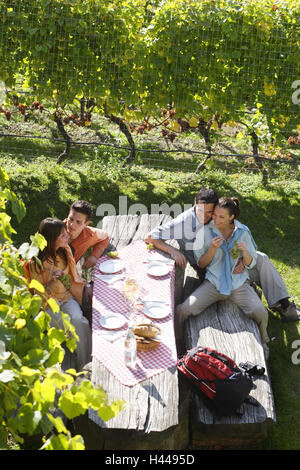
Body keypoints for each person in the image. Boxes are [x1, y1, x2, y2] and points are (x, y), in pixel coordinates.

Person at [145, 188, 300, 323]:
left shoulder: (216, 218)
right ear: (194, 203)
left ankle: (283, 304)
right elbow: (151, 236)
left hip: (227, 260)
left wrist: (240, 255)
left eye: (210, 212)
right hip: (207, 269)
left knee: (262, 259)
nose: (204, 216)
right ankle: (253, 290)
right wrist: (174, 251)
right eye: (200, 211)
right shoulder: (184, 222)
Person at [175, 197, 270, 356]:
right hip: (214, 284)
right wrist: (212, 248)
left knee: (260, 311)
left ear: (231, 217)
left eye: (221, 217)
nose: (216, 219)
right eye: (215, 215)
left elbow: (251, 263)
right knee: (182, 310)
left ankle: (265, 342)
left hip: (238, 285)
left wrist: (245, 252)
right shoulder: (205, 232)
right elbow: (201, 263)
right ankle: (177, 344)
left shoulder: (243, 232)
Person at [26, 218, 92, 371]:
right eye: (62, 235)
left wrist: (75, 282)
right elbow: (37, 294)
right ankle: (66, 359)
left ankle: (85, 364)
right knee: (66, 325)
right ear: (52, 239)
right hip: (47, 305)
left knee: (79, 321)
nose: (67, 236)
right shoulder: (36, 263)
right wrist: (50, 282)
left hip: (66, 298)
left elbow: (72, 276)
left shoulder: (64, 252)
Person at [65, 200, 110, 268]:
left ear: (86, 224)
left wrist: (94, 256)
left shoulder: (90, 234)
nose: (72, 225)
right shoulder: (54, 231)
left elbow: (106, 237)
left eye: (78, 222)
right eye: (71, 219)